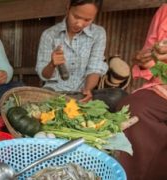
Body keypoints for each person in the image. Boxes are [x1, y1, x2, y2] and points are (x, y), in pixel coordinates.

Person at [35, 0, 126, 109]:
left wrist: (87, 91)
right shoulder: (49, 34)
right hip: (55, 92)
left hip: (82, 93)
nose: (80, 24)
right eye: (76, 17)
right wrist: (52, 64)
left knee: (119, 96)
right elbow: (44, 75)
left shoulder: (98, 33)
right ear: (68, 7)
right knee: (40, 102)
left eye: (87, 20)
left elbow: (95, 67)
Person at [116, 4, 167, 179]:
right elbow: (152, 55)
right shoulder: (164, 11)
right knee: (131, 109)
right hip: (163, 88)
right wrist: (145, 60)